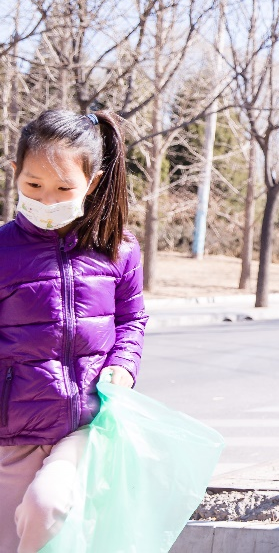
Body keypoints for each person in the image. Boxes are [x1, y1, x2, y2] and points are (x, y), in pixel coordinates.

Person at [0, 110, 146, 553]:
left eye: (64, 189)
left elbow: (132, 320)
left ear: (93, 182)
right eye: (33, 186)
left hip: (86, 425)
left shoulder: (119, 249)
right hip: (13, 430)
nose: (47, 200)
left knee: (48, 507)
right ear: (14, 174)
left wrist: (123, 364)